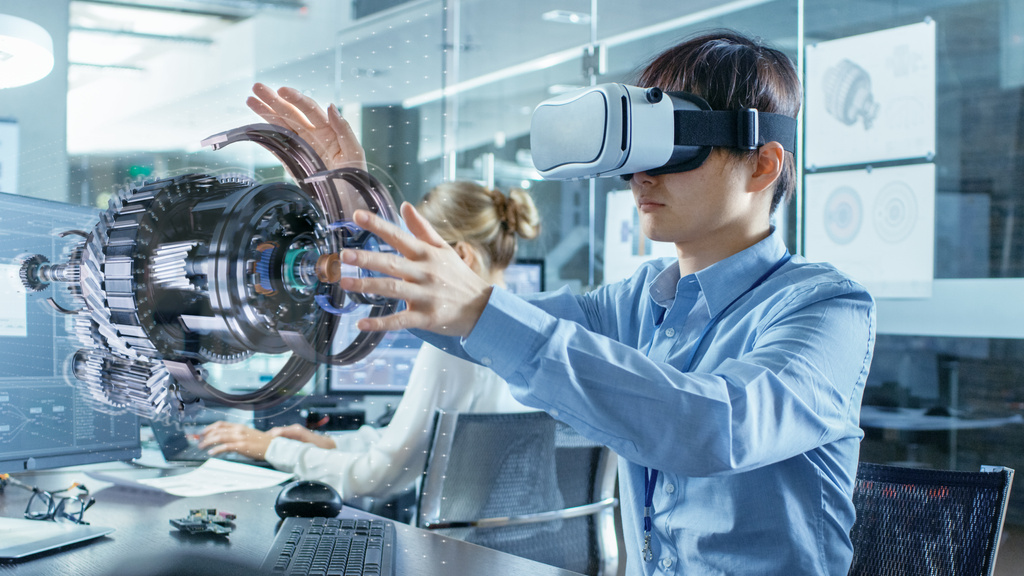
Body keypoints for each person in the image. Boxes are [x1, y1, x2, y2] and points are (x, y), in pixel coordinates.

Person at [320, 30, 877, 575]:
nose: (640, 175)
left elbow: (715, 426)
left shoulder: (827, 308)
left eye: (675, 145)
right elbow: (460, 321)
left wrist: (482, 309)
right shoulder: (637, 302)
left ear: (762, 165)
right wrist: (359, 229)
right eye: (639, 148)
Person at [199, 87, 542, 501]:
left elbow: (375, 479)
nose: (403, 271)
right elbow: (412, 447)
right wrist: (326, 443)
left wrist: (270, 447)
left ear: (462, 257)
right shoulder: (531, 333)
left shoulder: (457, 345)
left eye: (416, 256)